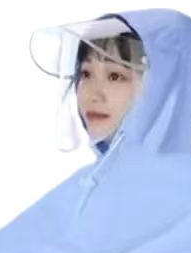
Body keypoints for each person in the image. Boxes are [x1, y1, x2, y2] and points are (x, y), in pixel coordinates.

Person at [29, 13, 149, 154]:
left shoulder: (165, 167)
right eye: (85, 74)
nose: (93, 96)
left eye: (114, 76)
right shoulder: (108, 167)